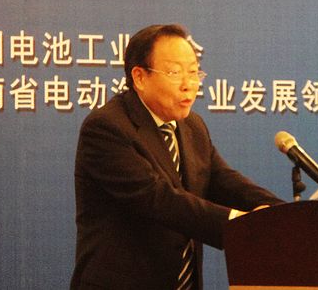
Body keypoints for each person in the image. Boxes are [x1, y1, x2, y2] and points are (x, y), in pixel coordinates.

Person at [70, 24, 284, 290]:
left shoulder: (192, 125)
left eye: (194, 73)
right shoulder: (107, 128)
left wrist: (283, 215)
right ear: (140, 77)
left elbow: (223, 181)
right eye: (174, 73)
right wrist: (243, 227)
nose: (189, 85)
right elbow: (159, 199)